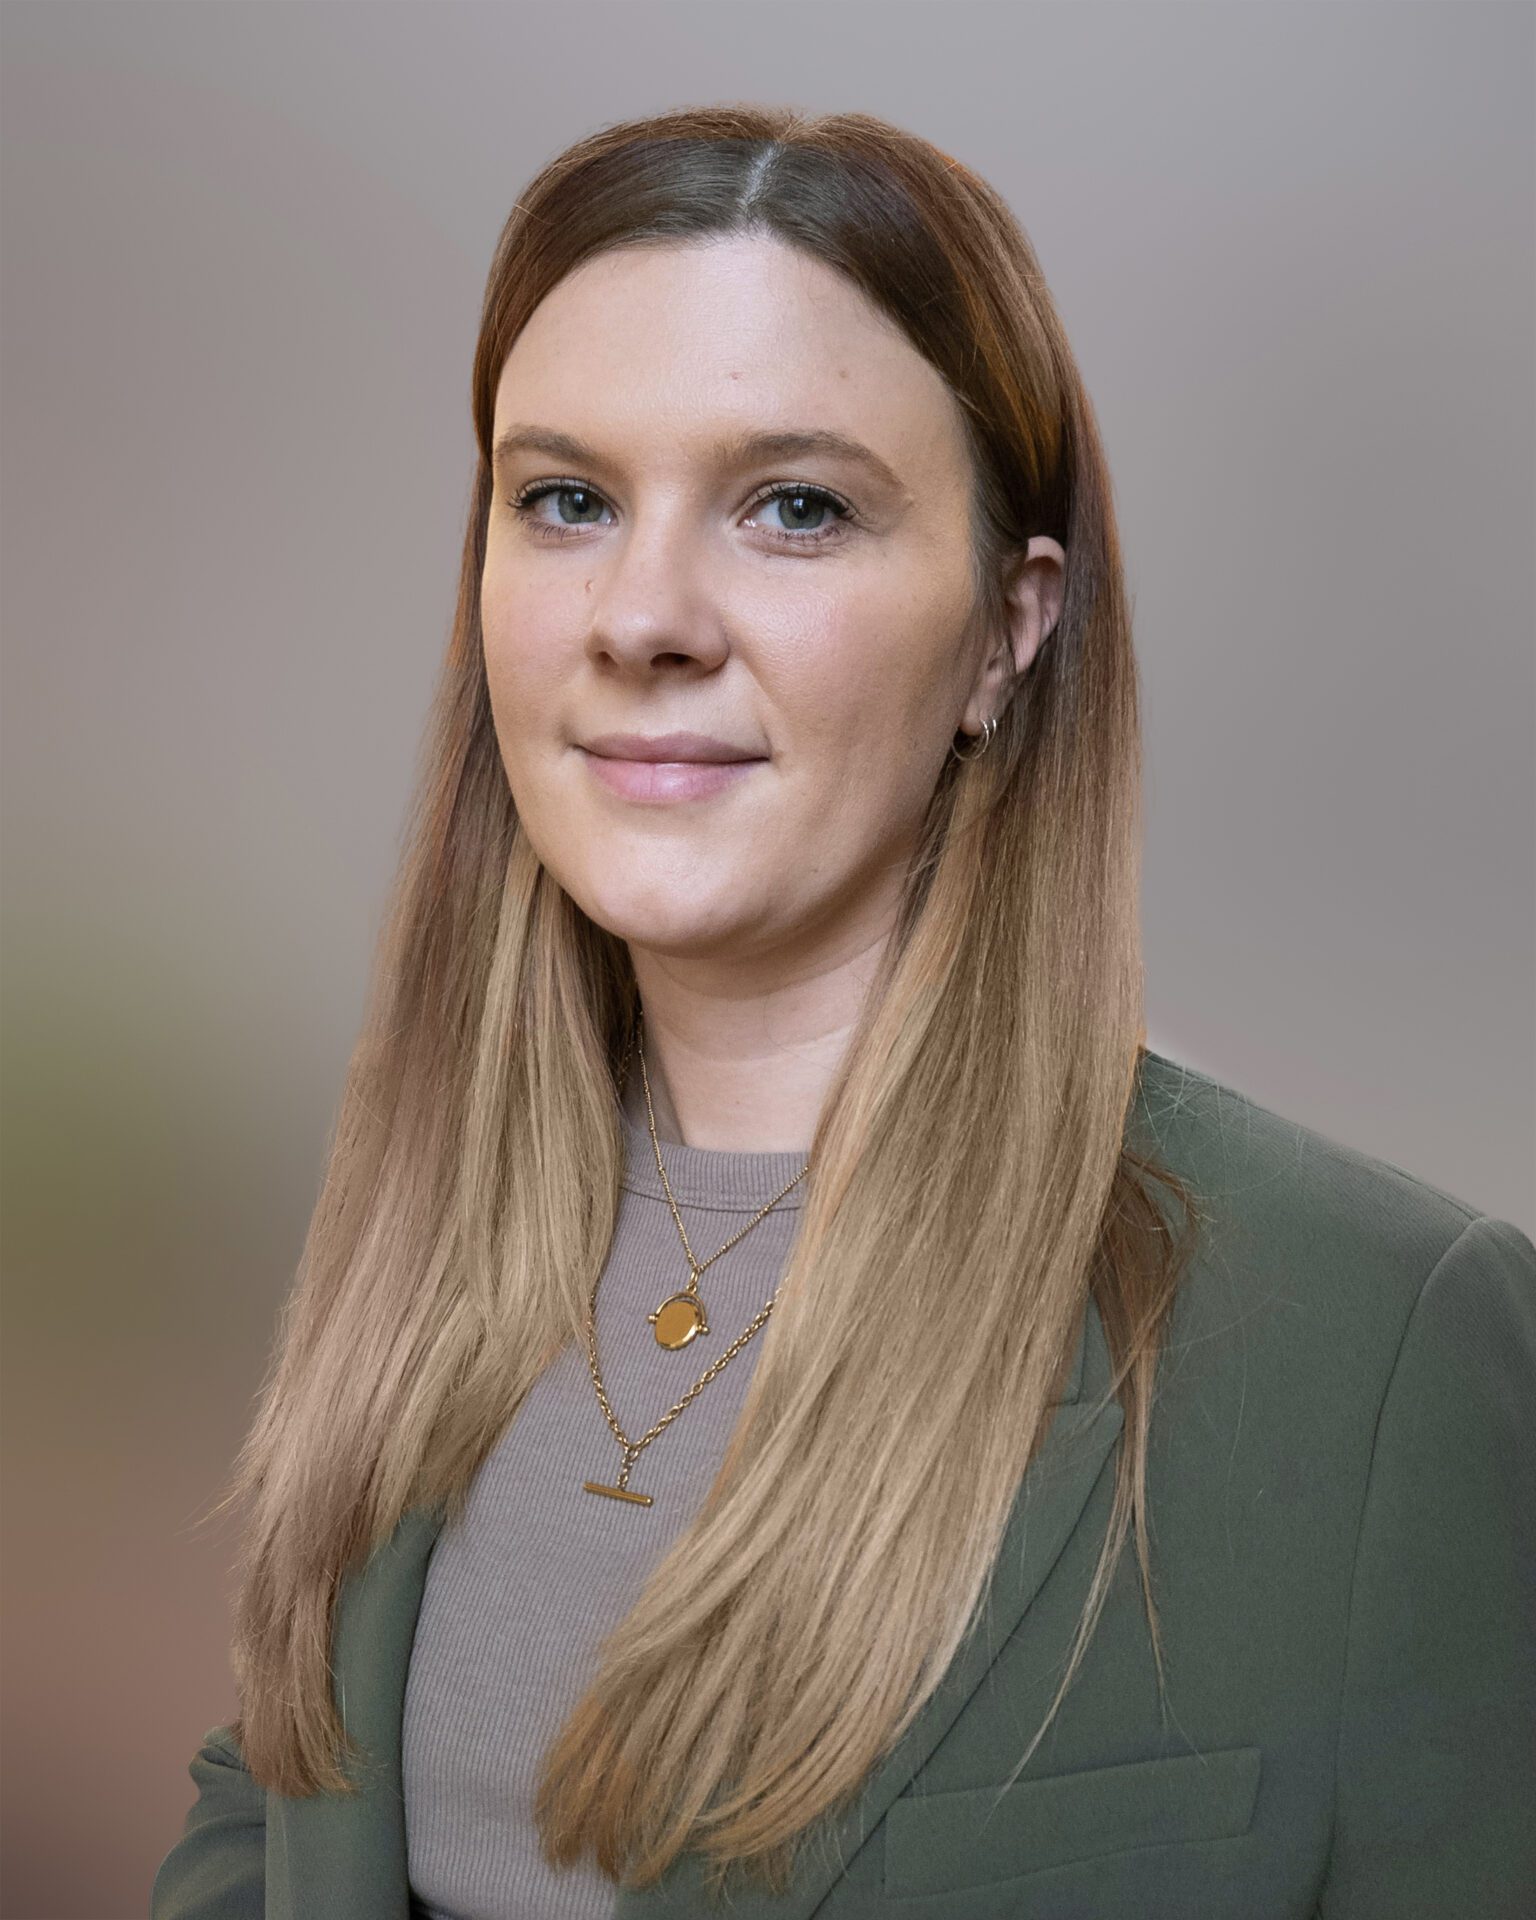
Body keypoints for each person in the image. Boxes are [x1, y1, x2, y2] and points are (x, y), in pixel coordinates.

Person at [149, 104, 1536, 1920]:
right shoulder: (418, 1218)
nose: (643, 614)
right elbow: (276, 1815)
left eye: (794, 506)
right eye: (565, 498)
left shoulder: (1381, 1356)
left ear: (1006, 632)